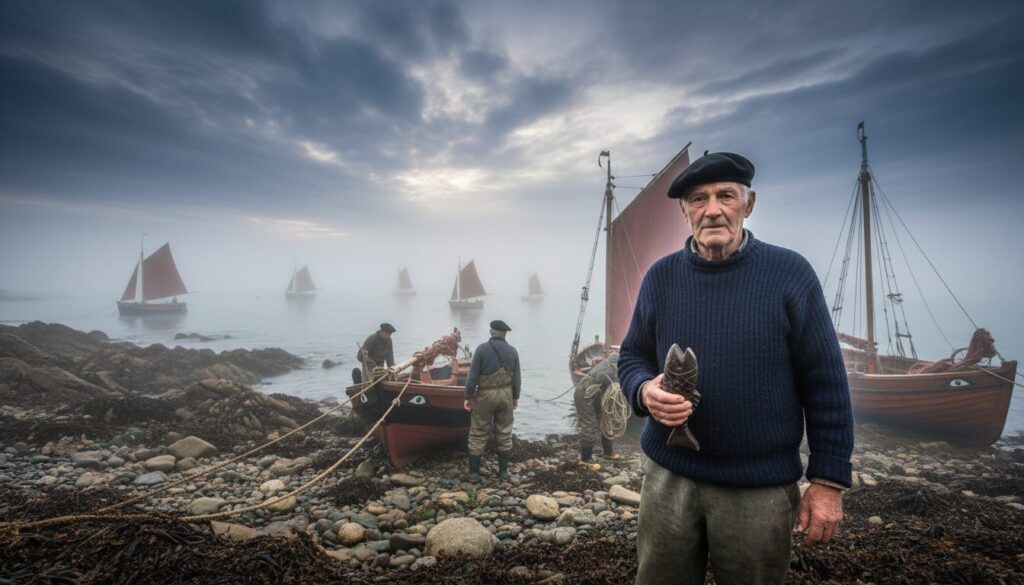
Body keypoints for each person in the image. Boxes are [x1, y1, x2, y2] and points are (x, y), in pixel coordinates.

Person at [617, 151, 854, 585]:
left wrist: (828, 481)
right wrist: (644, 390)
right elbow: (632, 356)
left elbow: (826, 384)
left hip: (758, 488)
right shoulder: (660, 278)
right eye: (698, 199)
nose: (712, 209)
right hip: (669, 479)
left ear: (749, 204)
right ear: (684, 211)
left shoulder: (790, 274)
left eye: (725, 196)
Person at [463, 319, 521, 481]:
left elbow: (472, 377)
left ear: (491, 332)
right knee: (504, 431)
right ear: (505, 334)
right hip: (506, 395)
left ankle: (474, 473)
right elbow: (517, 378)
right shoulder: (513, 351)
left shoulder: (482, 349)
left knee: (479, 431)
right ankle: (503, 472)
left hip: (485, 395)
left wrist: (468, 396)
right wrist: (515, 397)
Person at [574, 353, 622, 466]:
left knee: (606, 420)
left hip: (598, 394)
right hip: (584, 393)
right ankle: (585, 459)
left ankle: (608, 453)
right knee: (590, 424)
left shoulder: (616, 362)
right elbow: (600, 377)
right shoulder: (611, 367)